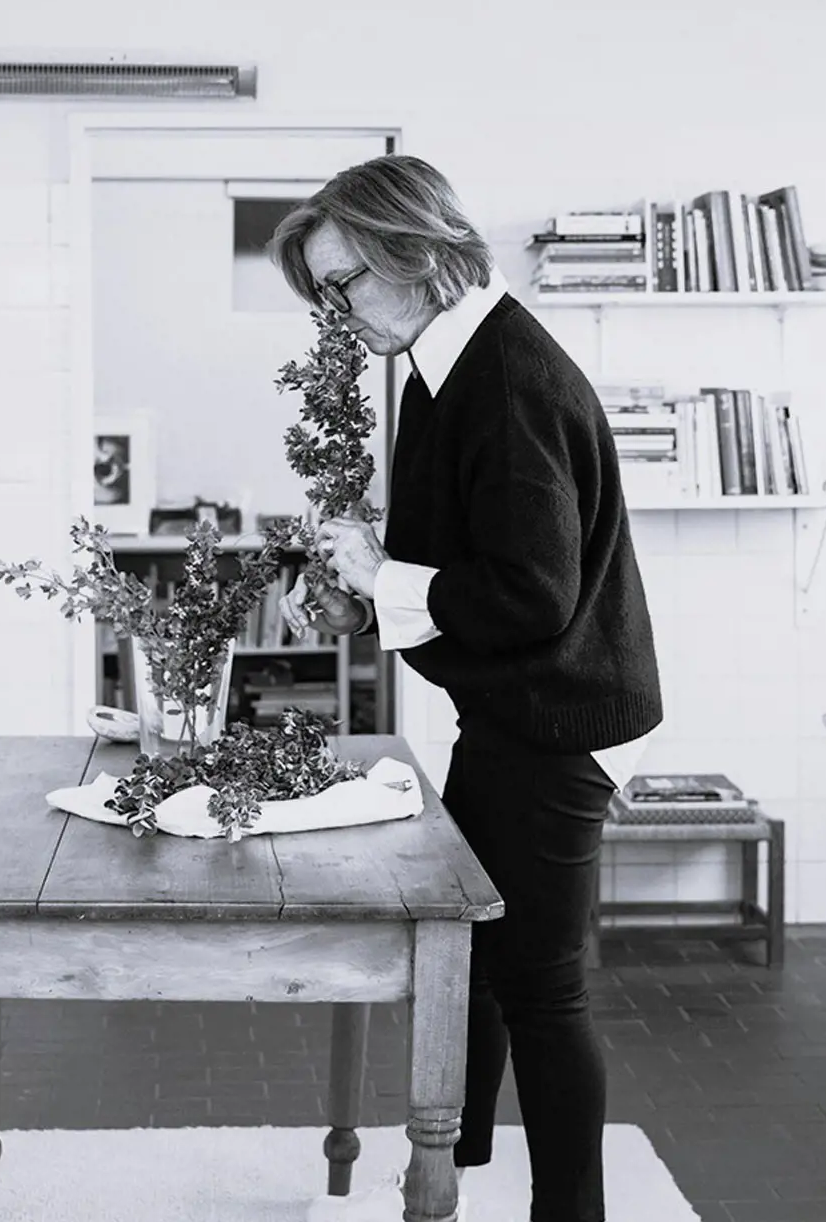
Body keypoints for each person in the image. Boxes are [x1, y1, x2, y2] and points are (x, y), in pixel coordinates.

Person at [272, 155, 662, 1222]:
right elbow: (469, 561)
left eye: (343, 283)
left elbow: (532, 595)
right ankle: (462, 1175)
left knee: (540, 987)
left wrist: (385, 580)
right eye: (322, 293)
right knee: (480, 955)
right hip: (521, 707)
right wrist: (364, 601)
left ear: (418, 251)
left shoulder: (505, 379)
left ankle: (568, 1213)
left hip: (561, 718)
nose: (334, 311)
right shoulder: (447, 361)